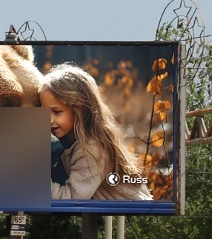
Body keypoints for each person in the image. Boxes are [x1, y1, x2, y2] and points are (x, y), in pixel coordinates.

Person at [40, 63, 152, 201]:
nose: (48, 119)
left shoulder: (91, 148)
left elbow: (70, 199)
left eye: (57, 112)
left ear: (80, 110)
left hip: (132, 217)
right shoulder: (70, 141)